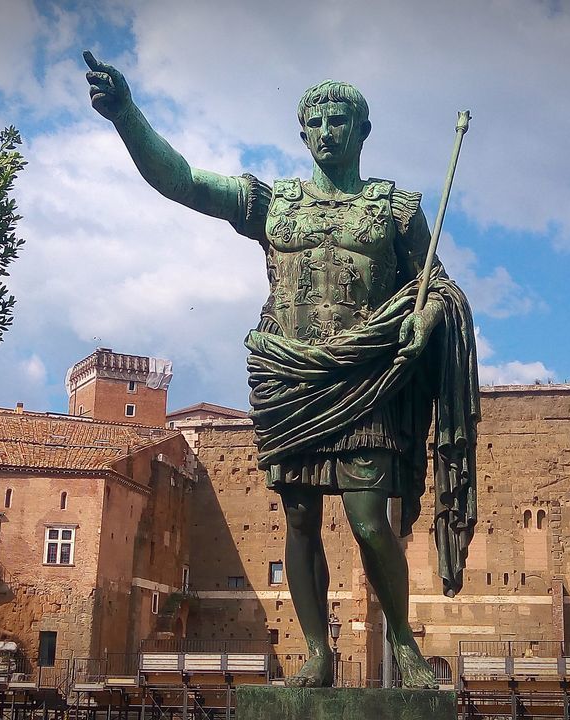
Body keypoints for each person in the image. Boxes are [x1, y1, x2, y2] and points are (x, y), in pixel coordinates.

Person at [84, 53, 480, 689]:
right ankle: (318, 652)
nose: (328, 131)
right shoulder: (276, 205)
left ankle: (402, 641)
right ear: (304, 134)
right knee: (298, 518)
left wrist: (426, 319)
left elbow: (438, 287)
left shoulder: (394, 210)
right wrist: (127, 116)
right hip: (289, 380)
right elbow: (184, 180)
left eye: (340, 120)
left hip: (364, 379)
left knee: (368, 520)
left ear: (362, 131)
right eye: (316, 122)